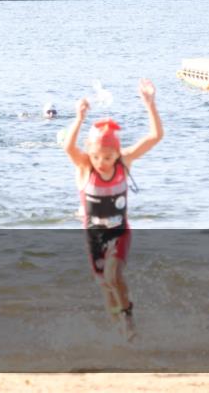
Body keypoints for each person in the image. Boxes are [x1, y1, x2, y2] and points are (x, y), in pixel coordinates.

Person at [61, 78, 163, 341]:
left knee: (113, 274)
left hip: (119, 233)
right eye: (97, 157)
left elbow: (155, 137)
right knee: (105, 286)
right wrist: (79, 118)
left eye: (107, 157)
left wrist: (150, 105)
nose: (102, 163)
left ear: (117, 153)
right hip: (94, 236)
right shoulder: (85, 168)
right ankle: (118, 330)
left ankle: (129, 322)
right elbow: (69, 147)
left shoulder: (124, 163)